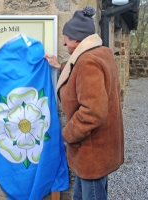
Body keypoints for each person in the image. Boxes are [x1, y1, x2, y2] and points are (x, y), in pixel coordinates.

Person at [44, 6, 124, 200]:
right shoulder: (100, 53)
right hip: (97, 147)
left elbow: (92, 112)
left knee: (92, 195)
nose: (63, 43)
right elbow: (85, 80)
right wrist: (60, 66)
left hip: (92, 149)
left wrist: (67, 134)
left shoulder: (87, 62)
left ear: (78, 40)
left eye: (66, 38)